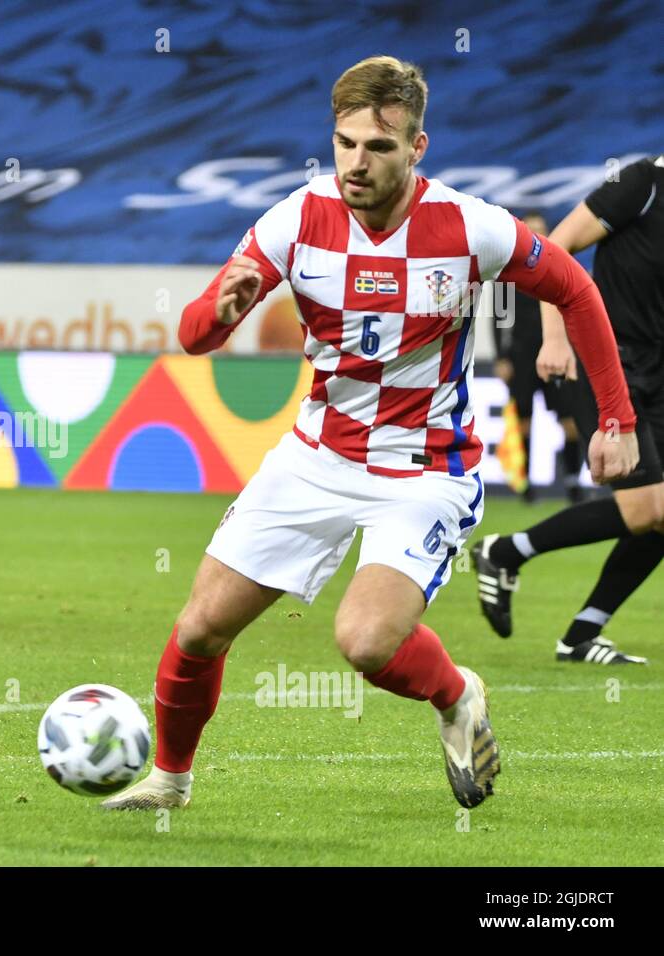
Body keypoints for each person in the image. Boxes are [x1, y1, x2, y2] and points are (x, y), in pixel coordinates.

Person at [103, 56, 638, 812]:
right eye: (346, 143)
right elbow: (194, 335)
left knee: (366, 642)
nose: (357, 162)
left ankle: (456, 696)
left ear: (417, 148)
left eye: (379, 148)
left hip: (423, 473)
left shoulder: (469, 227)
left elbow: (575, 288)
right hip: (315, 456)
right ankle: (170, 780)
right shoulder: (295, 218)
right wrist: (221, 312)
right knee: (198, 630)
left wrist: (615, 417)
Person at [473, 154, 664, 664]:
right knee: (648, 508)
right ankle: (506, 550)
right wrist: (555, 338)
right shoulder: (642, 182)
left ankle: (580, 631)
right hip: (604, 362)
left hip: (656, 374)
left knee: (661, 514)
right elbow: (554, 252)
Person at [492, 212, 586, 504]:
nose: (536, 235)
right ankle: (526, 485)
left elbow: (575, 310)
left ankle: (572, 481)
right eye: (529, 230)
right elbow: (500, 319)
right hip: (521, 358)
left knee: (569, 420)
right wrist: (501, 358)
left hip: (556, 354)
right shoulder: (505, 274)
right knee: (523, 423)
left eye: (540, 230)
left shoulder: (561, 269)